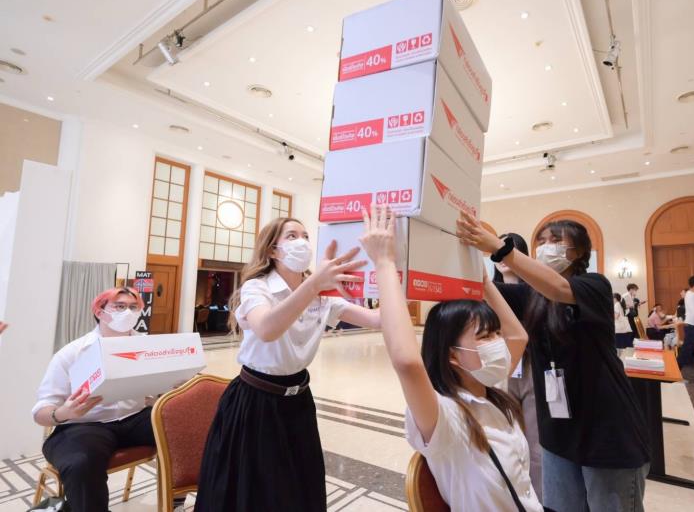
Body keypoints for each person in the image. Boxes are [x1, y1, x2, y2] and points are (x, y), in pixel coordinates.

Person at [457, 211, 650, 512]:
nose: (547, 246)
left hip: (606, 428)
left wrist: (499, 247)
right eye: (542, 240)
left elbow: (559, 289)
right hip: (558, 431)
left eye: (556, 240)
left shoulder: (594, 285)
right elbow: (483, 291)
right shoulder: (531, 296)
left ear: (580, 251)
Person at [360, 205, 543, 511]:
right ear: (453, 355)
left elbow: (518, 337)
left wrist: (483, 282)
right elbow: (407, 362)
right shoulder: (445, 416)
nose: (498, 343)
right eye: (484, 337)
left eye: (496, 333)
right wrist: (384, 263)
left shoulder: (490, 390)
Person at [194, 217, 381, 511]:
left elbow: (378, 320)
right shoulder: (257, 288)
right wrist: (314, 285)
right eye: (292, 236)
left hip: (298, 401)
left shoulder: (323, 297)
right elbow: (267, 328)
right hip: (255, 403)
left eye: (305, 236)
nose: (302, 241)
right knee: (256, 495)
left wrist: (388, 269)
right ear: (272, 250)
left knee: (299, 487)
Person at [31, 287, 154, 512]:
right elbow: (40, 413)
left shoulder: (148, 346)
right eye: (120, 307)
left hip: (135, 417)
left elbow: (155, 391)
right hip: (85, 425)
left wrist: (169, 387)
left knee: (189, 428)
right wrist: (64, 413)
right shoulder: (72, 353)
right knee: (81, 464)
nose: (128, 312)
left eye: (133, 307)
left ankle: (179, 499)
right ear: (99, 312)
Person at [493, 232, 542, 497]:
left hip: (532, 368)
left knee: (535, 441)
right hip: (500, 369)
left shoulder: (536, 290)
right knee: (503, 436)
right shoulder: (489, 291)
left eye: (506, 250)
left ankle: (539, 499)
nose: (499, 256)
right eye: (495, 250)